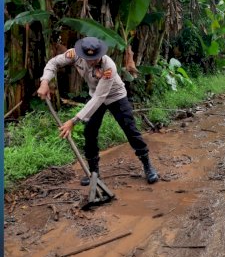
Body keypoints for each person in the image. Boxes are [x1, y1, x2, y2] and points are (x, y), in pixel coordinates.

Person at [37, 36, 158, 185]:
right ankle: (93, 172)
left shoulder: (109, 67)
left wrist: (74, 120)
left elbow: (100, 98)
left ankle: (147, 165)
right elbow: (53, 62)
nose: (91, 61)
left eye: (94, 58)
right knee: (90, 132)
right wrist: (45, 81)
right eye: (88, 58)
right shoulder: (74, 54)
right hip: (95, 95)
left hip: (115, 96)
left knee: (130, 128)